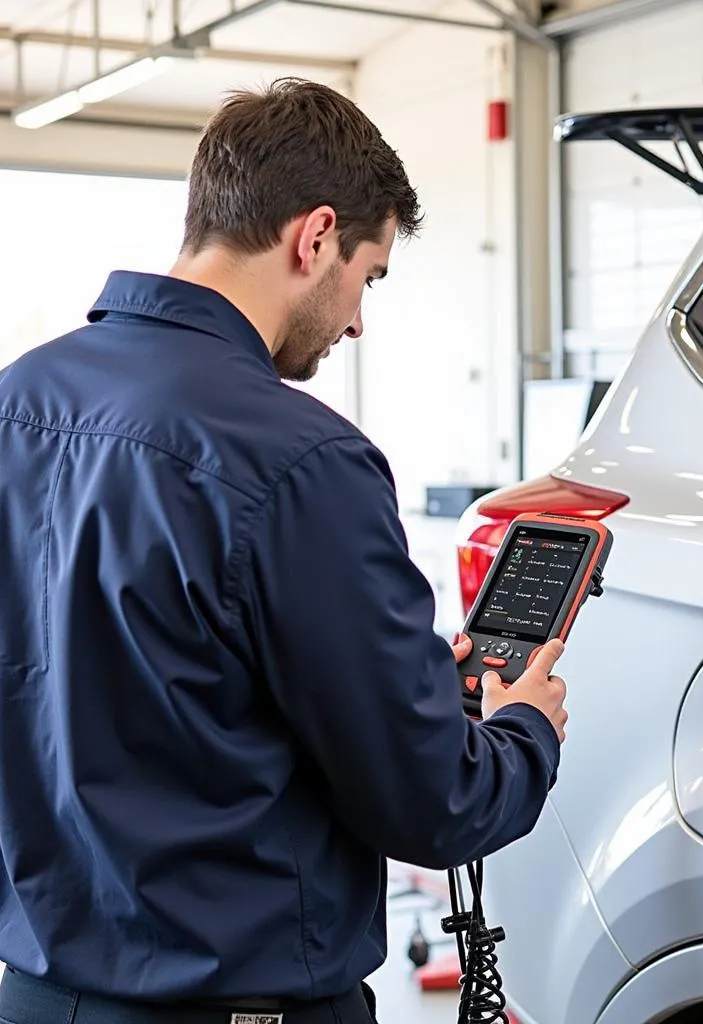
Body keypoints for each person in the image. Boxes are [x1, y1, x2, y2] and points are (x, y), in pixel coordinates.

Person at [0, 78, 568, 1024]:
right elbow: (435, 806)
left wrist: (399, 685)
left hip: (34, 997)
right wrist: (523, 731)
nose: (356, 322)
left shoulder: (16, 403)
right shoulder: (303, 461)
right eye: (367, 276)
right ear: (313, 239)